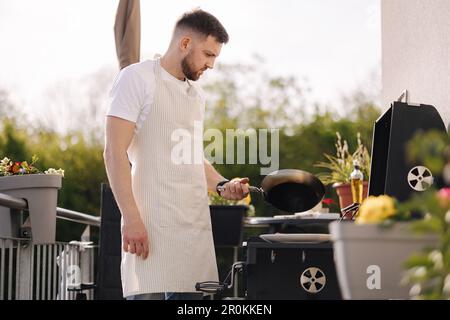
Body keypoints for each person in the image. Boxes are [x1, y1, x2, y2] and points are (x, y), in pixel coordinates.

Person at [104, 9, 249, 300]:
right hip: (149, 225)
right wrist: (131, 219)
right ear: (185, 44)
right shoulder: (136, 78)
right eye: (208, 54)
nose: (211, 64)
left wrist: (222, 185)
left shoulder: (197, 97)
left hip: (191, 227)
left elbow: (191, 156)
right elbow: (114, 152)